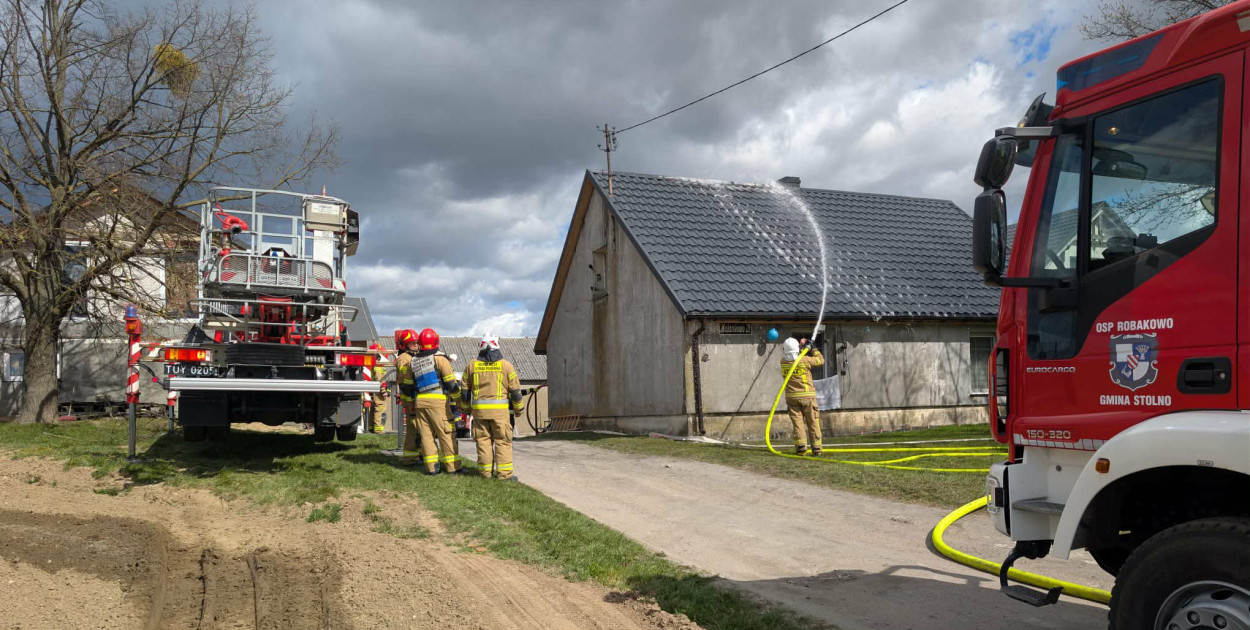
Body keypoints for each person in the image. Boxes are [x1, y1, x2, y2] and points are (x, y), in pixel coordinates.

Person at [461, 332, 523, 480]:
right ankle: (505, 475)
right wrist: (518, 409)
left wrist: (466, 409)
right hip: (500, 414)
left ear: (481, 346)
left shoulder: (472, 365)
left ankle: (485, 474)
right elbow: (515, 391)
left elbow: (464, 391)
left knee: (483, 442)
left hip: (480, 414)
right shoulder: (506, 366)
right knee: (503, 441)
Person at [409, 328, 462, 475]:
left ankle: (431, 468)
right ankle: (453, 467)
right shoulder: (440, 359)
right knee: (446, 433)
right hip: (438, 402)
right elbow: (451, 383)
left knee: (426, 436)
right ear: (436, 342)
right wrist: (459, 400)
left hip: (420, 402)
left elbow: (408, 385)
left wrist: (410, 403)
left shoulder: (413, 360)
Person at [780, 337, 824, 456]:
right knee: (812, 421)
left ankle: (801, 447)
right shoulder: (804, 360)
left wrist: (801, 348)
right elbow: (820, 360)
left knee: (797, 423)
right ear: (797, 349)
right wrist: (813, 348)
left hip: (792, 397)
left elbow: (793, 356)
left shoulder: (783, 362)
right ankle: (816, 448)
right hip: (807, 396)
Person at [393, 329, 423, 466]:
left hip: (414, 397)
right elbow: (405, 382)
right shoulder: (405, 358)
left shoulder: (413, 356)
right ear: (405, 345)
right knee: (412, 429)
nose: (416, 345)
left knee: (418, 428)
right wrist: (410, 402)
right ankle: (410, 458)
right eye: (413, 343)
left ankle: (419, 454)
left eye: (417, 343)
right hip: (409, 398)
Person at [368, 343, 389, 433]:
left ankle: (371, 427)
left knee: (373, 408)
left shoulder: (373, 365)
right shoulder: (378, 366)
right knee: (380, 408)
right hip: (378, 391)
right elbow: (380, 380)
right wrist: (383, 391)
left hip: (374, 389)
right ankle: (378, 429)